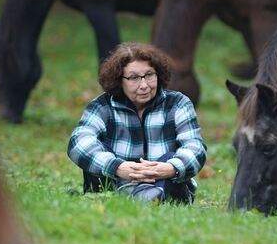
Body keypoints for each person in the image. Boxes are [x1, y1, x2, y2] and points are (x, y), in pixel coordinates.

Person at [68, 42, 206, 203]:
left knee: (170, 156)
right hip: (115, 185)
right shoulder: (102, 106)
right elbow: (78, 142)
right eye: (133, 78)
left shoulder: (178, 103)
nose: (144, 85)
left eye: (149, 75)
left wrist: (171, 168)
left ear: (158, 74)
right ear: (119, 80)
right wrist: (117, 167)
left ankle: (150, 198)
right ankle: (131, 199)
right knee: (97, 149)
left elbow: (195, 147)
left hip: (166, 185)